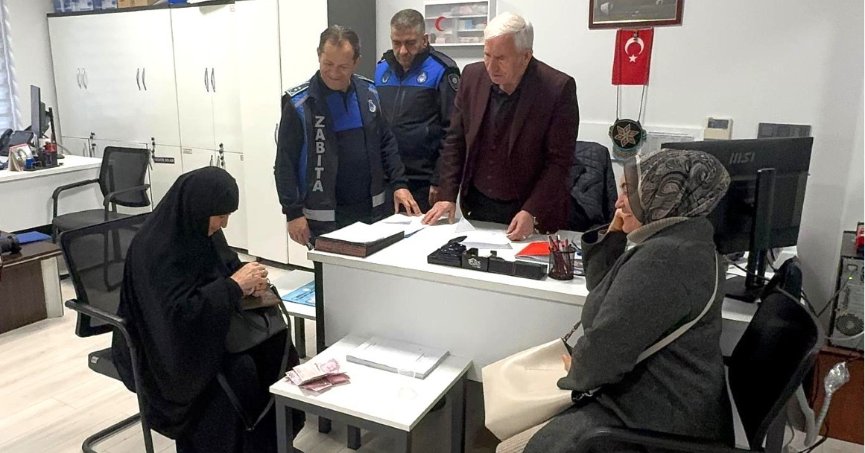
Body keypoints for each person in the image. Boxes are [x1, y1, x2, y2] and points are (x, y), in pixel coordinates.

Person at [521, 149, 734, 452]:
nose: (618, 203)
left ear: (662, 196)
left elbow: (605, 350)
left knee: (530, 442)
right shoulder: (688, 238)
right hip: (678, 403)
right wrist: (614, 233)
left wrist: (575, 372)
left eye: (630, 191)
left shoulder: (662, 259)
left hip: (654, 416)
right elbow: (602, 287)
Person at [112, 167, 303, 453]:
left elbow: (226, 268)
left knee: (279, 346)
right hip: (169, 348)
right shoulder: (154, 249)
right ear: (199, 207)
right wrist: (234, 287)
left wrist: (250, 279)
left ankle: (272, 444)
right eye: (221, 216)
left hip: (209, 325)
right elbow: (175, 316)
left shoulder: (202, 229)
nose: (224, 223)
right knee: (239, 372)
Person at [422, 12, 579, 241]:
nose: (491, 66)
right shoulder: (472, 76)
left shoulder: (557, 88)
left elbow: (559, 163)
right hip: (477, 206)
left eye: (501, 58)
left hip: (528, 211)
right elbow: (456, 140)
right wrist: (447, 194)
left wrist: (532, 211)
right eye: (487, 55)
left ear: (526, 56)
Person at [276, 25, 420, 246]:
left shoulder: (369, 93)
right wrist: (293, 213)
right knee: (331, 269)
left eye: (343, 66)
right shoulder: (299, 104)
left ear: (356, 62)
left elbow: (386, 142)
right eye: (328, 64)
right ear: (318, 56)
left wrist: (399, 184)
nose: (334, 73)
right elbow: (284, 164)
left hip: (372, 213)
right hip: (324, 217)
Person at [375, 9, 460, 212]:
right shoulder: (381, 68)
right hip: (388, 178)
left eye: (410, 43)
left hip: (424, 182)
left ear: (424, 39)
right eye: (396, 43)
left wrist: (439, 179)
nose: (403, 51)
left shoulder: (443, 69)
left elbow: (453, 131)